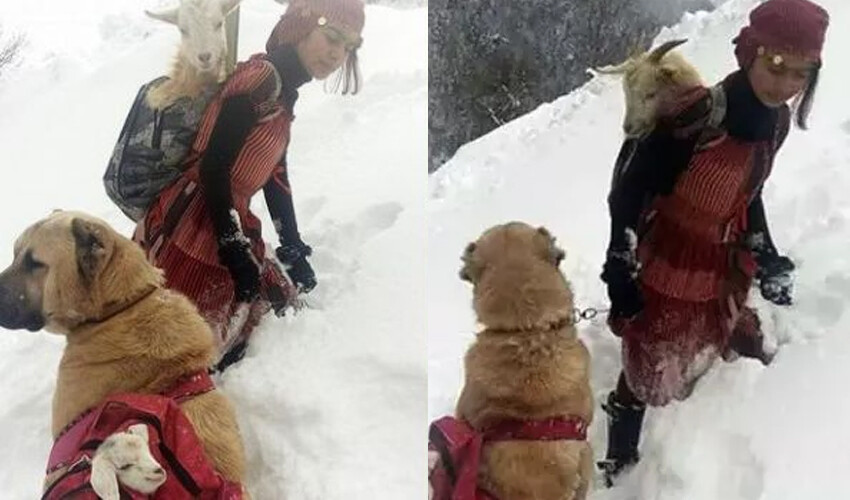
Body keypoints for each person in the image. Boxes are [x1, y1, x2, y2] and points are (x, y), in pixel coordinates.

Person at [598, 0, 829, 485]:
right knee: (652, 363)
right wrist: (620, 264)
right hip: (670, 257)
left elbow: (751, 193)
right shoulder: (698, 115)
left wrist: (765, 254)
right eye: (776, 65)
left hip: (721, 260)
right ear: (751, 53)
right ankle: (621, 452)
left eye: (800, 72)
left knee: (731, 342)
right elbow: (630, 189)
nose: (785, 83)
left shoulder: (776, 123)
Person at [134, 0, 366, 371]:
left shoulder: (283, 92)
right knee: (180, 351)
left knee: (273, 314)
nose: (338, 53)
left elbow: (275, 176)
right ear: (300, 27)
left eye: (349, 46)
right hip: (197, 221)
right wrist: (231, 245)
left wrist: (291, 244)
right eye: (332, 37)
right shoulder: (262, 79)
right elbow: (213, 166)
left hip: (226, 218)